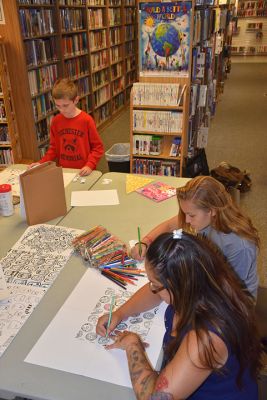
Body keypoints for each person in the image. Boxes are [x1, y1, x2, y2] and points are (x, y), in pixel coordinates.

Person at [96, 231, 262, 400]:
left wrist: (132, 345)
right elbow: (153, 292)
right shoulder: (201, 284)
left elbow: (154, 398)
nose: (152, 288)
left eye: (156, 284)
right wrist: (121, 313)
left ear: (179, 286)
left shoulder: (205, 339)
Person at [131, 176, 260, 299]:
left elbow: (230, 289)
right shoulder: (206, 219)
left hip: (234, 298)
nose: (186, 220)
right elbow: (171, 226)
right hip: (208, 275)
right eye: (185, 213)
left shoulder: (240, 246)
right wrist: (145, 242)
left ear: (212, 210)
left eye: (191, 215)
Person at [29, 78, 104, 176]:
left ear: (76, 100)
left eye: (65, 105)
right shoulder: (56, 121)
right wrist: (41, 163)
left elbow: (98, 147)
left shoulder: (86, 120)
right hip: (65, 171)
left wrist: (90, 165)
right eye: (58, 106)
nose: (62, 110)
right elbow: (53, 148)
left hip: (84, 171)